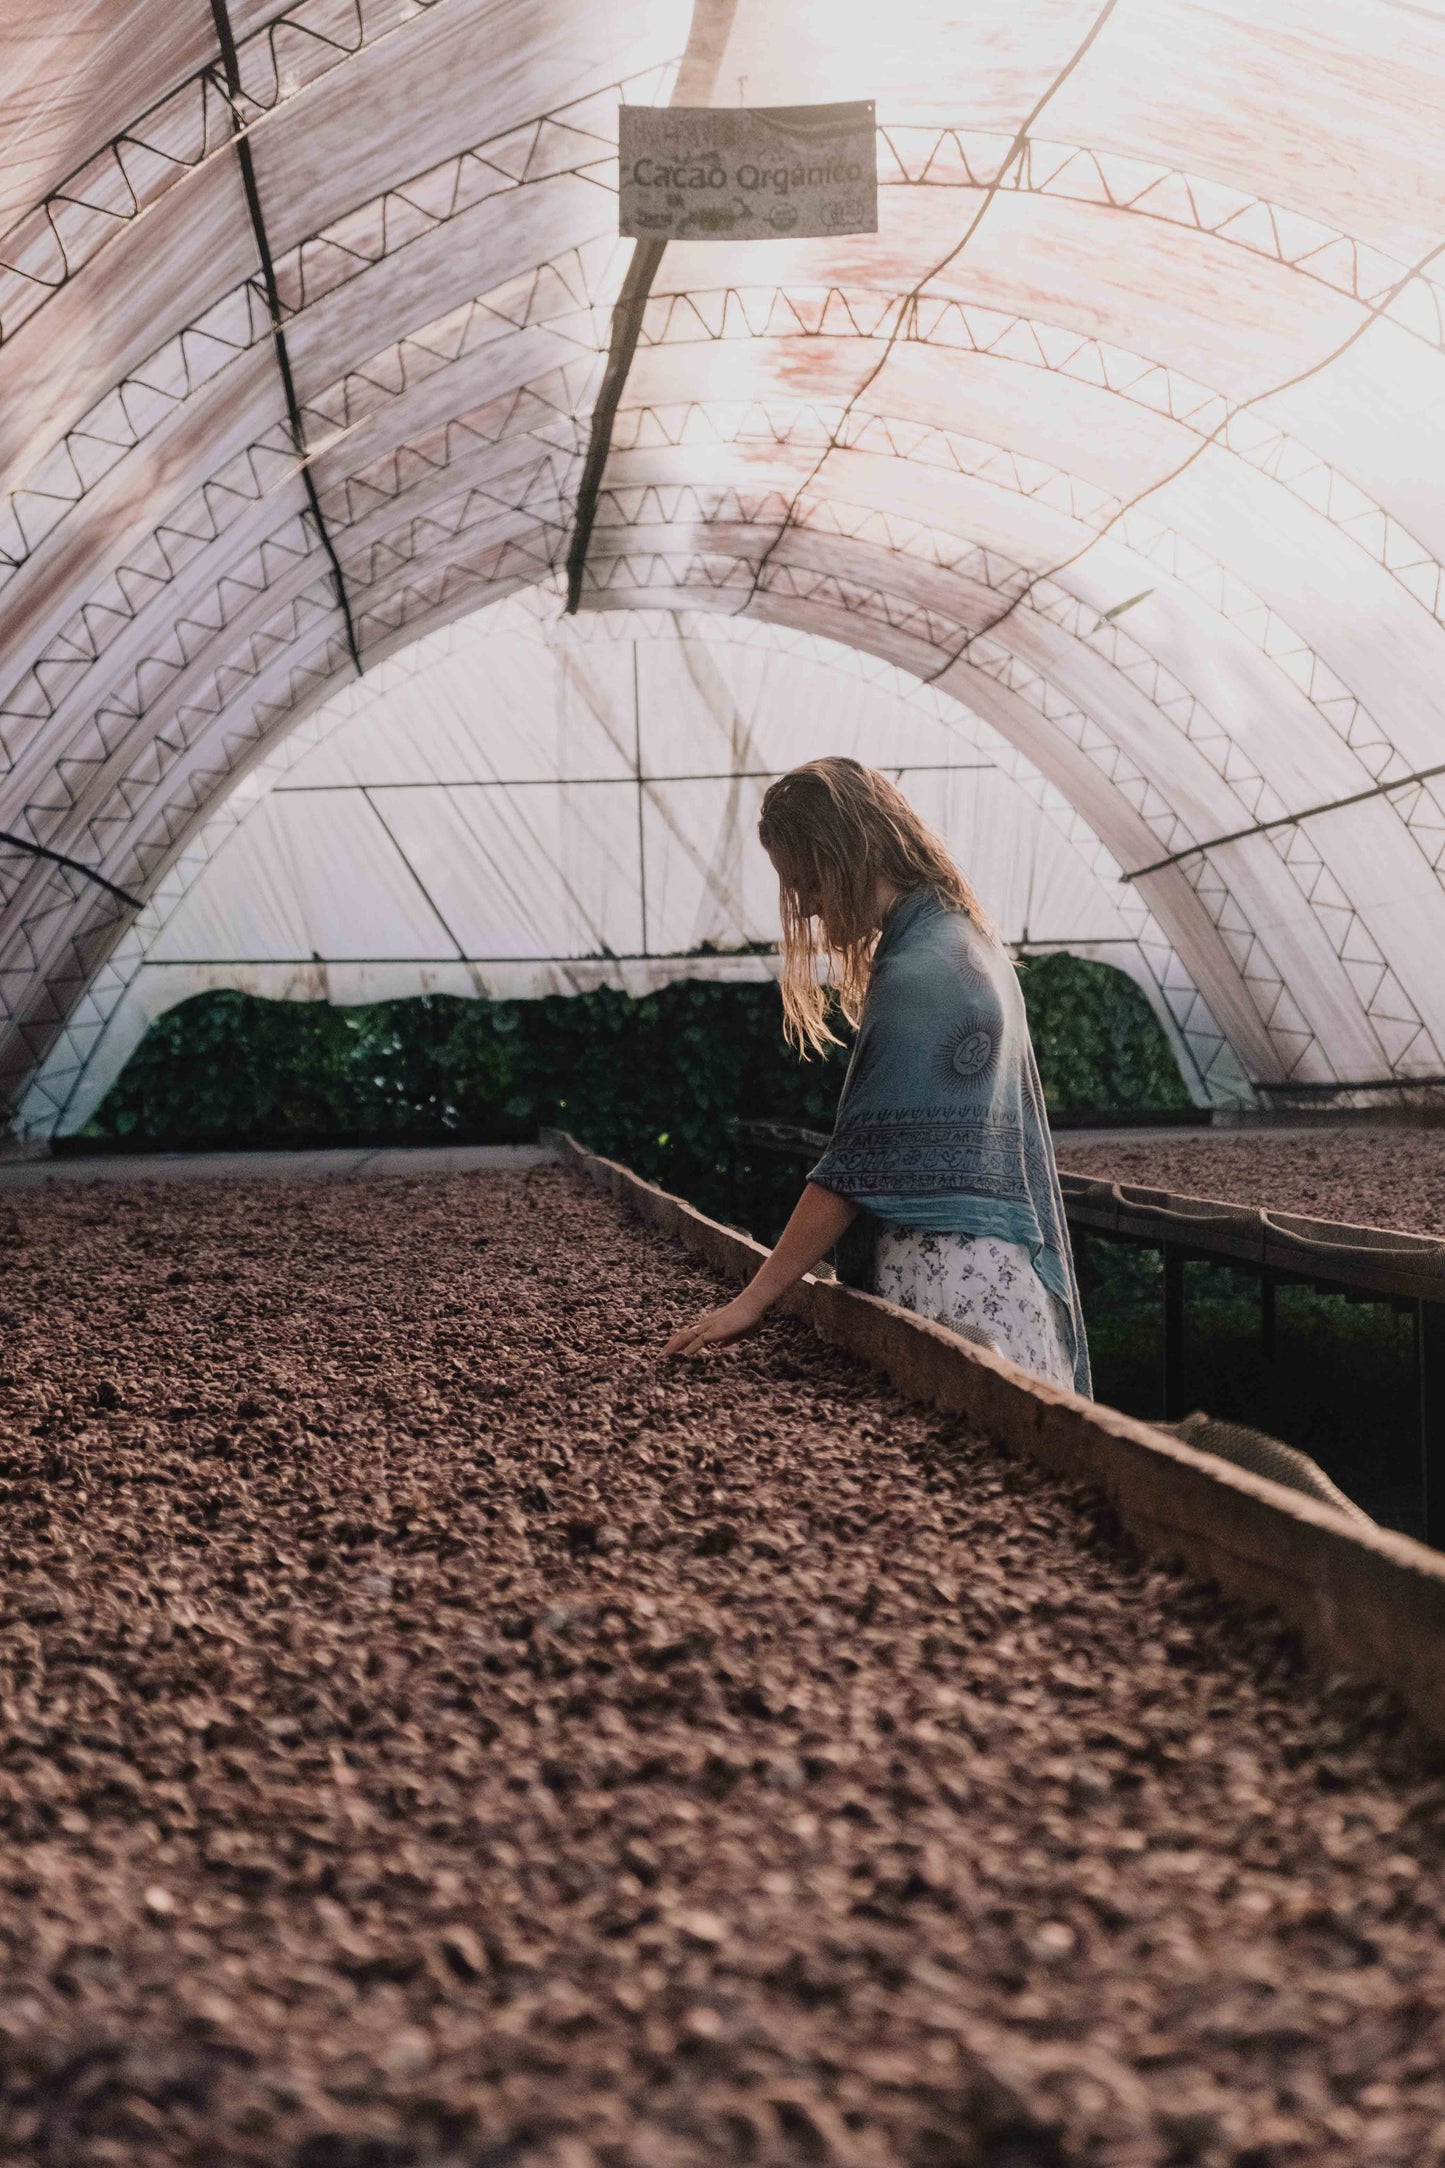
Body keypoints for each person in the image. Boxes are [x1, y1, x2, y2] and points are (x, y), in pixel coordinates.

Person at [662, 758, 1091, 1394]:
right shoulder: (961, 938)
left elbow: (855, 1170)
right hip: (993, 1281)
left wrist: (752, 1301)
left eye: (806, 882)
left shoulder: (922, 973)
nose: (804, 908)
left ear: (848, 853)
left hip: (951, 1290)